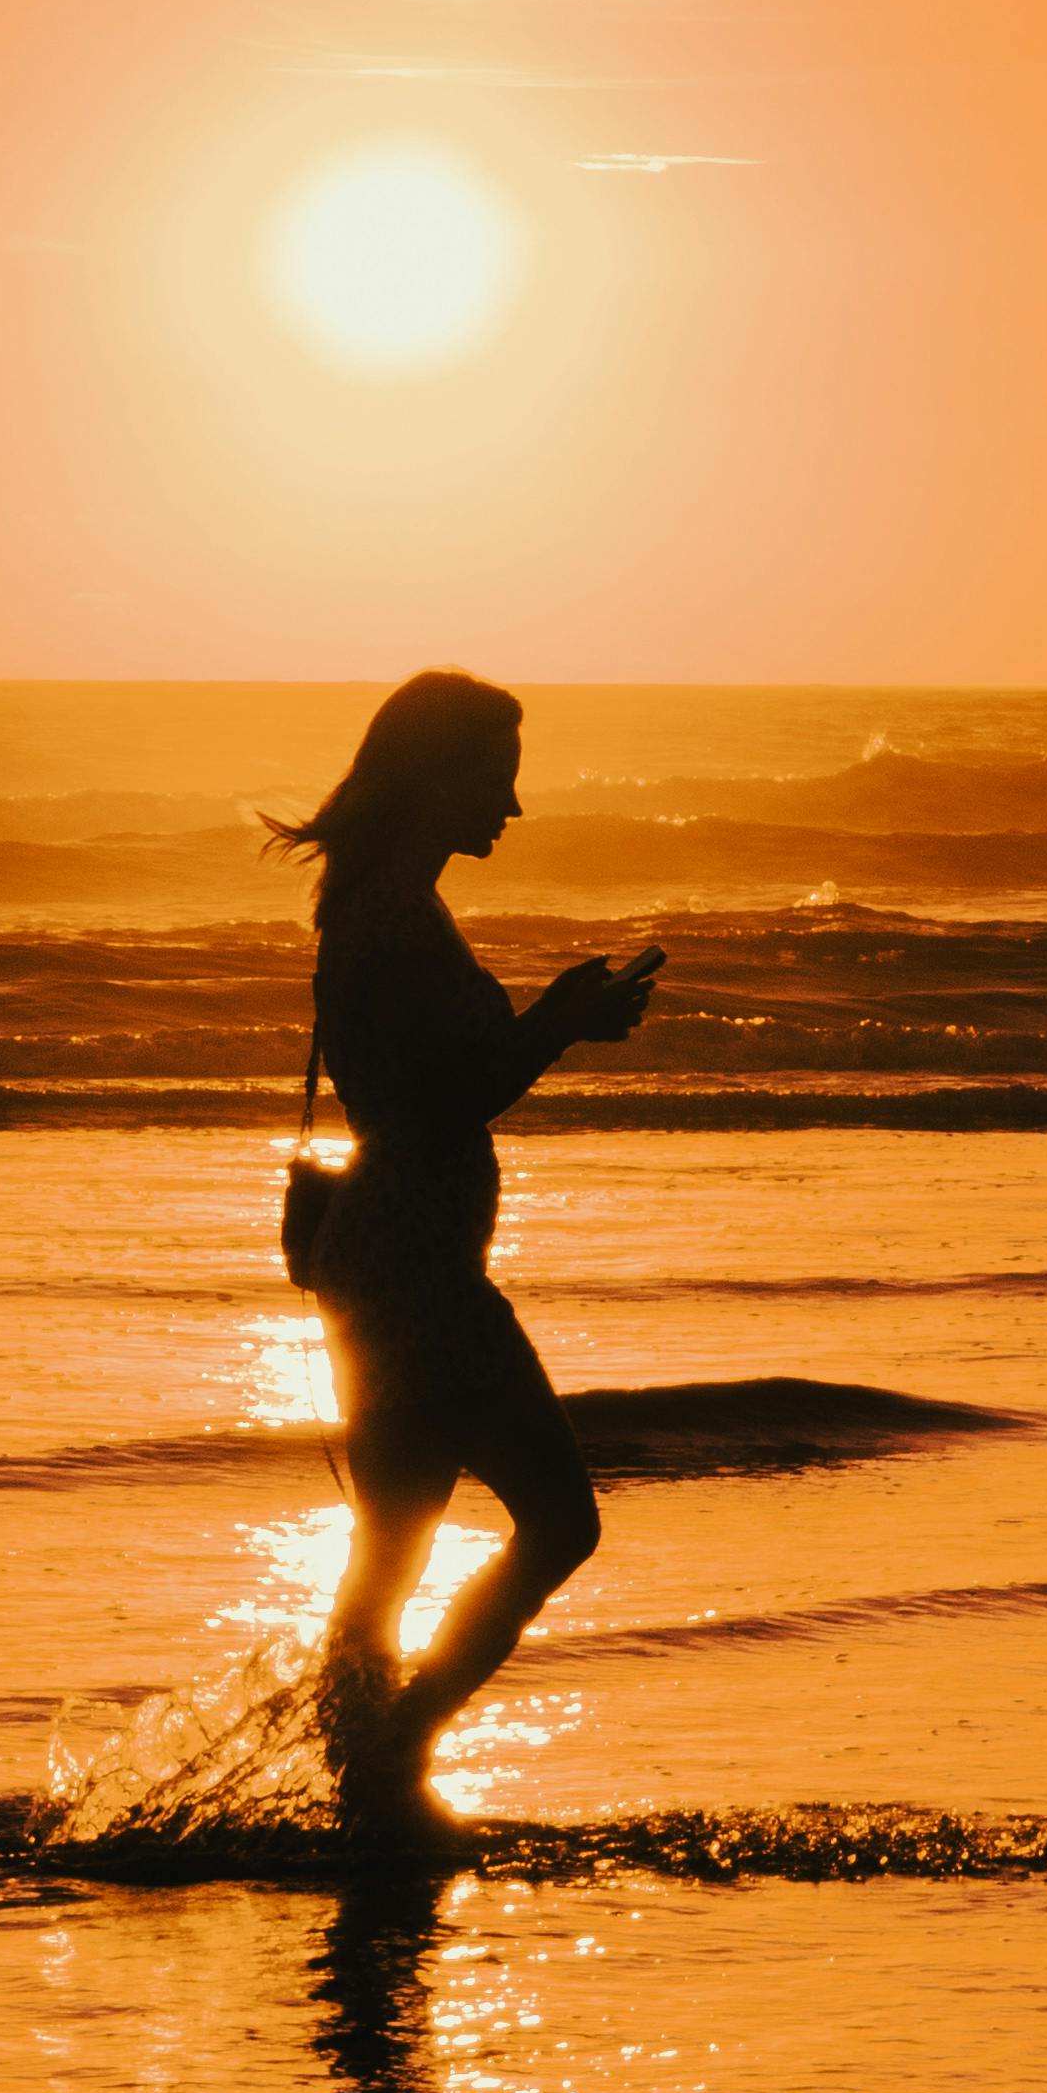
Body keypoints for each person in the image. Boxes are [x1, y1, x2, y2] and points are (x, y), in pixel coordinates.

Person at [272, 671, 662, 1842]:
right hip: (416, 1268)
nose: (512, 806)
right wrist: (555, 1021)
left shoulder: (379, 902)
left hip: (387, 1255)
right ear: (433, 777)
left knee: (391, 1546)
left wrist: (551, 1023)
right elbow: (449, 1094)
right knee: (559, 1523)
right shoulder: (392, 915)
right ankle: (395, 1755)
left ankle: (370, 1791)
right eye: (493, 778)